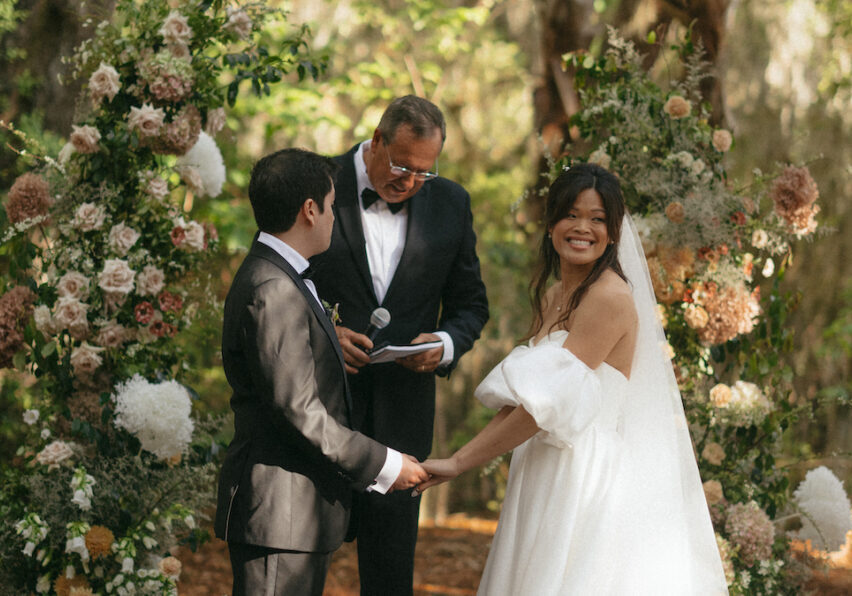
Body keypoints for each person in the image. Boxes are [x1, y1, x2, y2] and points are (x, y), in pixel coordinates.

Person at [418, 163, 729, 594]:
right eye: (572, 214)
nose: (583, 227)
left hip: (583, 475)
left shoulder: (609, 297)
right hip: (546, 464)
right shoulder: (553, 295)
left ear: (614, 232)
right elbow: (526, 400)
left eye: (598, 218)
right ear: (551, 225)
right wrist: (459, 457)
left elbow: (547, 408)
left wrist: (459, 464)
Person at [214, 148, 429, 596]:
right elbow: (299, 412)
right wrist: (384, 464)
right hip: (277, 513)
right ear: (309, 210)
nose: (334, 217)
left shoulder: (281, 277)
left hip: (295, 514)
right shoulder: (273, 288)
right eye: (332, 206)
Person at [309, 95, 489, 595]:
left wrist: (446, 344)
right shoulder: (316, 181)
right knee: (296, 568)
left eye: (423, 172)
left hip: (401, 423)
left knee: (389, 580)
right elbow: (276, 279)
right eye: (400, 165)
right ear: (376, 140)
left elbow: (471, 306)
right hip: (319, 412)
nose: (408, 181)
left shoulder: (452, 202)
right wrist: (325, 331)